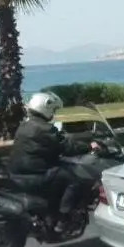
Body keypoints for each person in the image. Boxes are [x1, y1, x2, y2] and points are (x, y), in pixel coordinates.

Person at [7, 91, 101, 231]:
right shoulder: (45, 128)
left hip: (19, 172)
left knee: (60, 173)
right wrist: (89, 146)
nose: (53, 113)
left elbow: (48, 146)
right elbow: (67, 147)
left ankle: (52, 212)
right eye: (53, 109)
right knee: (74, 180)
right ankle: (63, 218)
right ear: (45, 108)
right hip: (37, 173)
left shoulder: (24, 125)